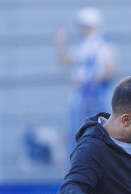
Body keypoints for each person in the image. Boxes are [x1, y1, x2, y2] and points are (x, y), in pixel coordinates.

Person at [55, 6, 117, 150]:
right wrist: (60, 42)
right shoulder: (82, 45)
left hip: (95, 98)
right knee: (76, 138)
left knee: (97, 137)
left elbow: (109, 70)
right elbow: (65, 61)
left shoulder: (103, 44)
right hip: (79, 100)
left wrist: (86, 83)